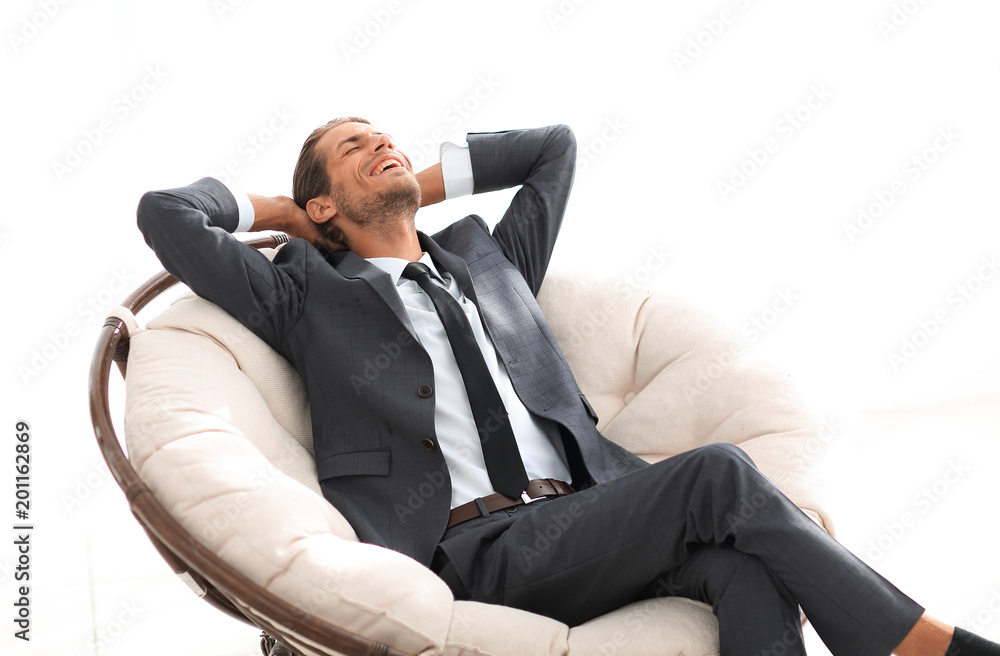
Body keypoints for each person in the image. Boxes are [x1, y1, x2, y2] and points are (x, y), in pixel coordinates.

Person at [137, 118, 998, 656]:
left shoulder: (489, 263)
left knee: (746, 573)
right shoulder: (302, 296)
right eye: (353, 147)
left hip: (587, 518)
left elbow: (553, 148)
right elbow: (165, 213)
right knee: (717, 473)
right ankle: (911, 645)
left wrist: (403, 185)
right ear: (320, 205)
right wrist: (295, 214)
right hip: (477, 551)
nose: (382, 144)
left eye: (385, 135)